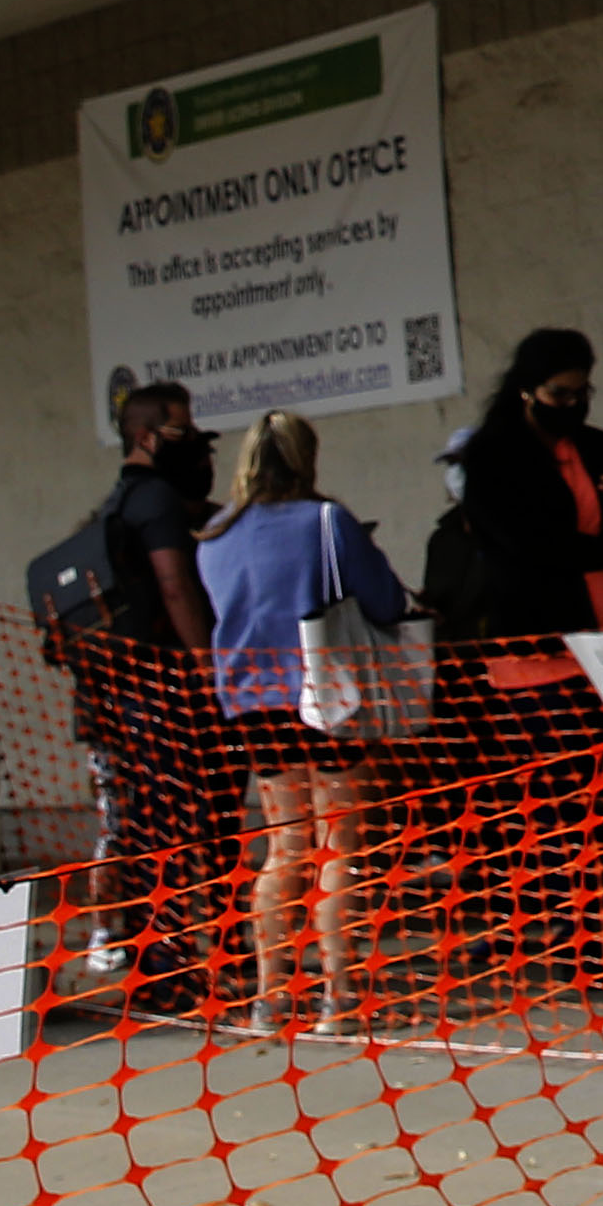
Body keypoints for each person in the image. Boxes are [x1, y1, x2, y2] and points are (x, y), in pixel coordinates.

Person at [193, 411, 415, 1030]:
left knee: (284, 846)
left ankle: (270, 997)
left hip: (251, 701)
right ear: (307, 458)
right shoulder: (326, 521)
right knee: (338, 842)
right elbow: (385, 600)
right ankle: (339, 996)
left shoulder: (213, 534)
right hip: (327, 693)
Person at [89, 380, 233, 1018]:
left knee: (148, 829)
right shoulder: (157, 504)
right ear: (148, 436)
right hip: (166, 694)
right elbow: (176, 588)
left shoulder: (115, 503)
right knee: (192, 827)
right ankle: (188, 968)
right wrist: (208, 669)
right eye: (183, 430)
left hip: (122, 696)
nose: (195, 442)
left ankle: (161, 967)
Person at [448, 325, 603, 642]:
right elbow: (529, 544)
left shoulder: (594, 444)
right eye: (559, 393)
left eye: (581, 393)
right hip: (540, 636)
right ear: (527, 391)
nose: (572, 404)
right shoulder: (492, 457)